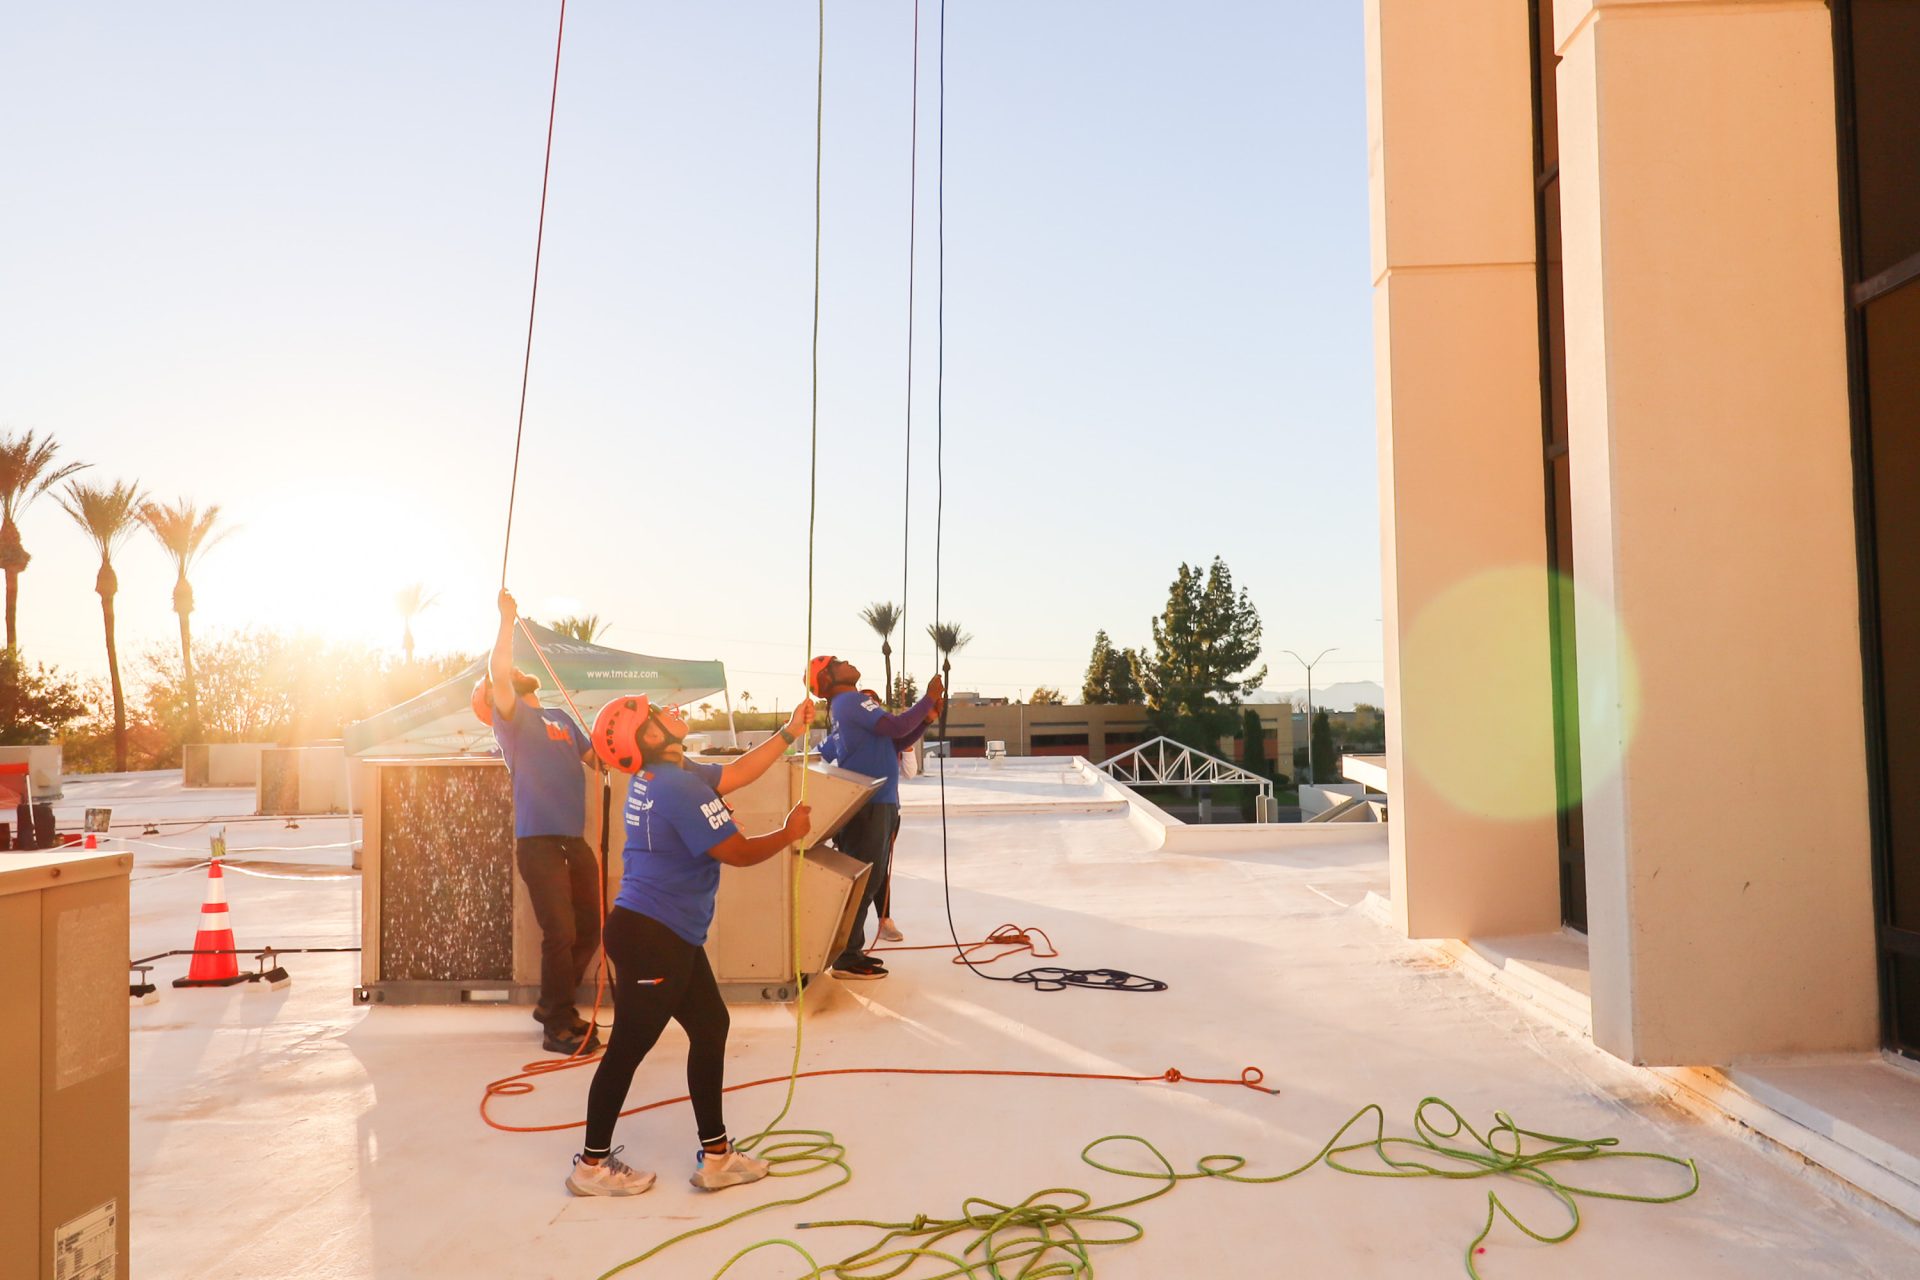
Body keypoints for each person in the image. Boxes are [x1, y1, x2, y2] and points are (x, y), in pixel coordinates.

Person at [566, 690, 816, 1197]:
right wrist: (788, 832)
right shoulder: (678, 787)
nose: (664, 715)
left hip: (665, 933)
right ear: (648, 737)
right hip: (652, 937)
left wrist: (791, 731)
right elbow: (738, 853)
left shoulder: (668, 774)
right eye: (653, 716)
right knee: (630, 1047)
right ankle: (591, 1166)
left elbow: (740, 772)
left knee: (710, 1026)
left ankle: (718, 1156)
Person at [484, 589, 602, 1055]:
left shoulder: (560, 718)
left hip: (574, 841)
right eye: (504, 677)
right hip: (538, 842)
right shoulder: (510, 719)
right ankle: (556, 1021)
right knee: (561, 933)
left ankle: (556, 1006)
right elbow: (498, 669)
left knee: (590, 929)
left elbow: (601, 760)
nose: (510, 674)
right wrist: (507, 620)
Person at [807, 656, 944, 981]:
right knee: (865, 883)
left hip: (872, 804)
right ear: (827, 677)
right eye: (838, 662)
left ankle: (847, 953)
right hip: (870, 805)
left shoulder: (844, 706)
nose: (847, 662)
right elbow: (896, 727)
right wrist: (927, 697)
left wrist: (925, 719)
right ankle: (847, 957)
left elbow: (896, 740)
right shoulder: (851, 701)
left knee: (868, 881)